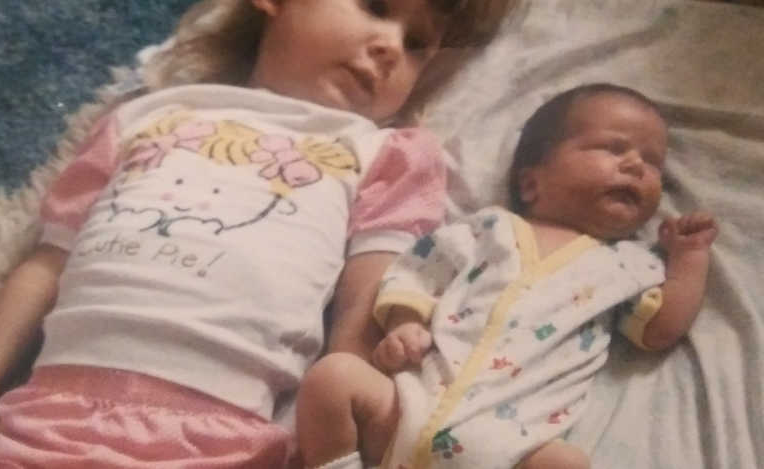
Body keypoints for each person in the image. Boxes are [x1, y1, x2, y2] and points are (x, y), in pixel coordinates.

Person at [0, 0, 534, 468]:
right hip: (47, 418)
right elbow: (46, 262)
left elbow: (365, 297)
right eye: (373, 3)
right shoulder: (145, 116)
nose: (389, 46)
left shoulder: (382, 152)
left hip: (223, 438)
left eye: (419, 43)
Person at [296, 83, 717, 469]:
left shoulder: (628, 265)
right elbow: (417, 273)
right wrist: (404, 323)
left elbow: (660, 328)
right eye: (613, 148)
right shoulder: (488, 229)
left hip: (508, 445)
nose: (635, 166)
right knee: (334, 377)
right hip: (407, 405)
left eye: (653, 163)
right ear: (532, 183)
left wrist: (690, 258)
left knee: (568, 463)